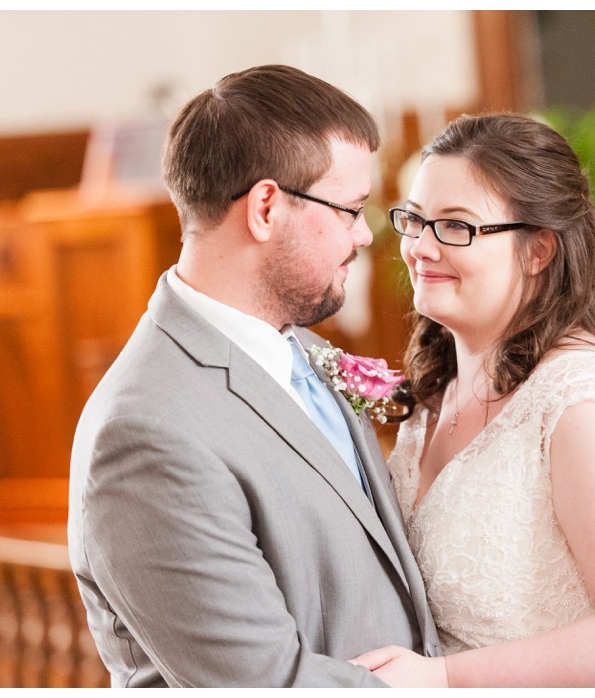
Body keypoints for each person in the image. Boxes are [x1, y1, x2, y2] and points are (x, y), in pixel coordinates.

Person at [67, 64, 440, 687]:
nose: (361, 236)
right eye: (349, 209)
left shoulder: (299, 351)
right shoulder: (145, 433)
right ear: (266, 207)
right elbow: (265, 683)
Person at [352, 113, 595, 687]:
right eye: (414, 220)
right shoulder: (439, 391)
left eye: (456, 226)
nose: (420, 247)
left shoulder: (583, 403)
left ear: (538, 249)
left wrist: (445, 679)